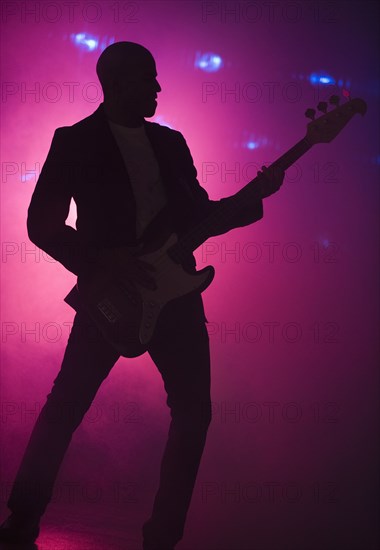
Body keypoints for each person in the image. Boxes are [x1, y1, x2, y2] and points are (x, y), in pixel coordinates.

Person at [0, 42, 284, 549]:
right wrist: (103, 260)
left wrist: (252, 201)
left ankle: (163, 538)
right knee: (66, 404)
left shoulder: (172, 143)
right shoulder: (74, 141)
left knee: (195, 411)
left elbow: (199, 217)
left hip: (176, 294)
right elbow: (41, 224)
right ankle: (22, 519)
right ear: (117, 82)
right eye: (147, 79)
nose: (157, 88)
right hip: (110, 292)